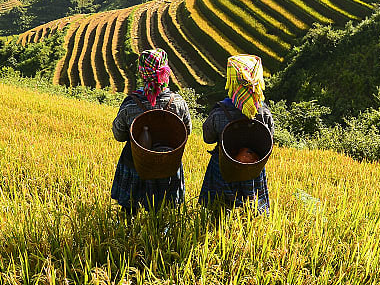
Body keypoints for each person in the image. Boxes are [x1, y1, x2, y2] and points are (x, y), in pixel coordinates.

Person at [110, 49, 192, 215]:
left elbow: (119, 135)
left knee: (129, 209)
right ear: (165, 72)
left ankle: (128, 234)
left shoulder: (130, 105)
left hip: (136, 163)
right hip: (168, 164)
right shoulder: (178, 103)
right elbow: (187, 131)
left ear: (142, 74)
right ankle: (160, 235)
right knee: (164, 211)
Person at [199, 54, 272, 214]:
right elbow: (269, 140)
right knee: (252, 211)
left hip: (224, 167)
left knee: (218, 211)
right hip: (252, 168)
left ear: (232, 82)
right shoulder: (264, 113)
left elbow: (208, 138)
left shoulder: (219, 114)